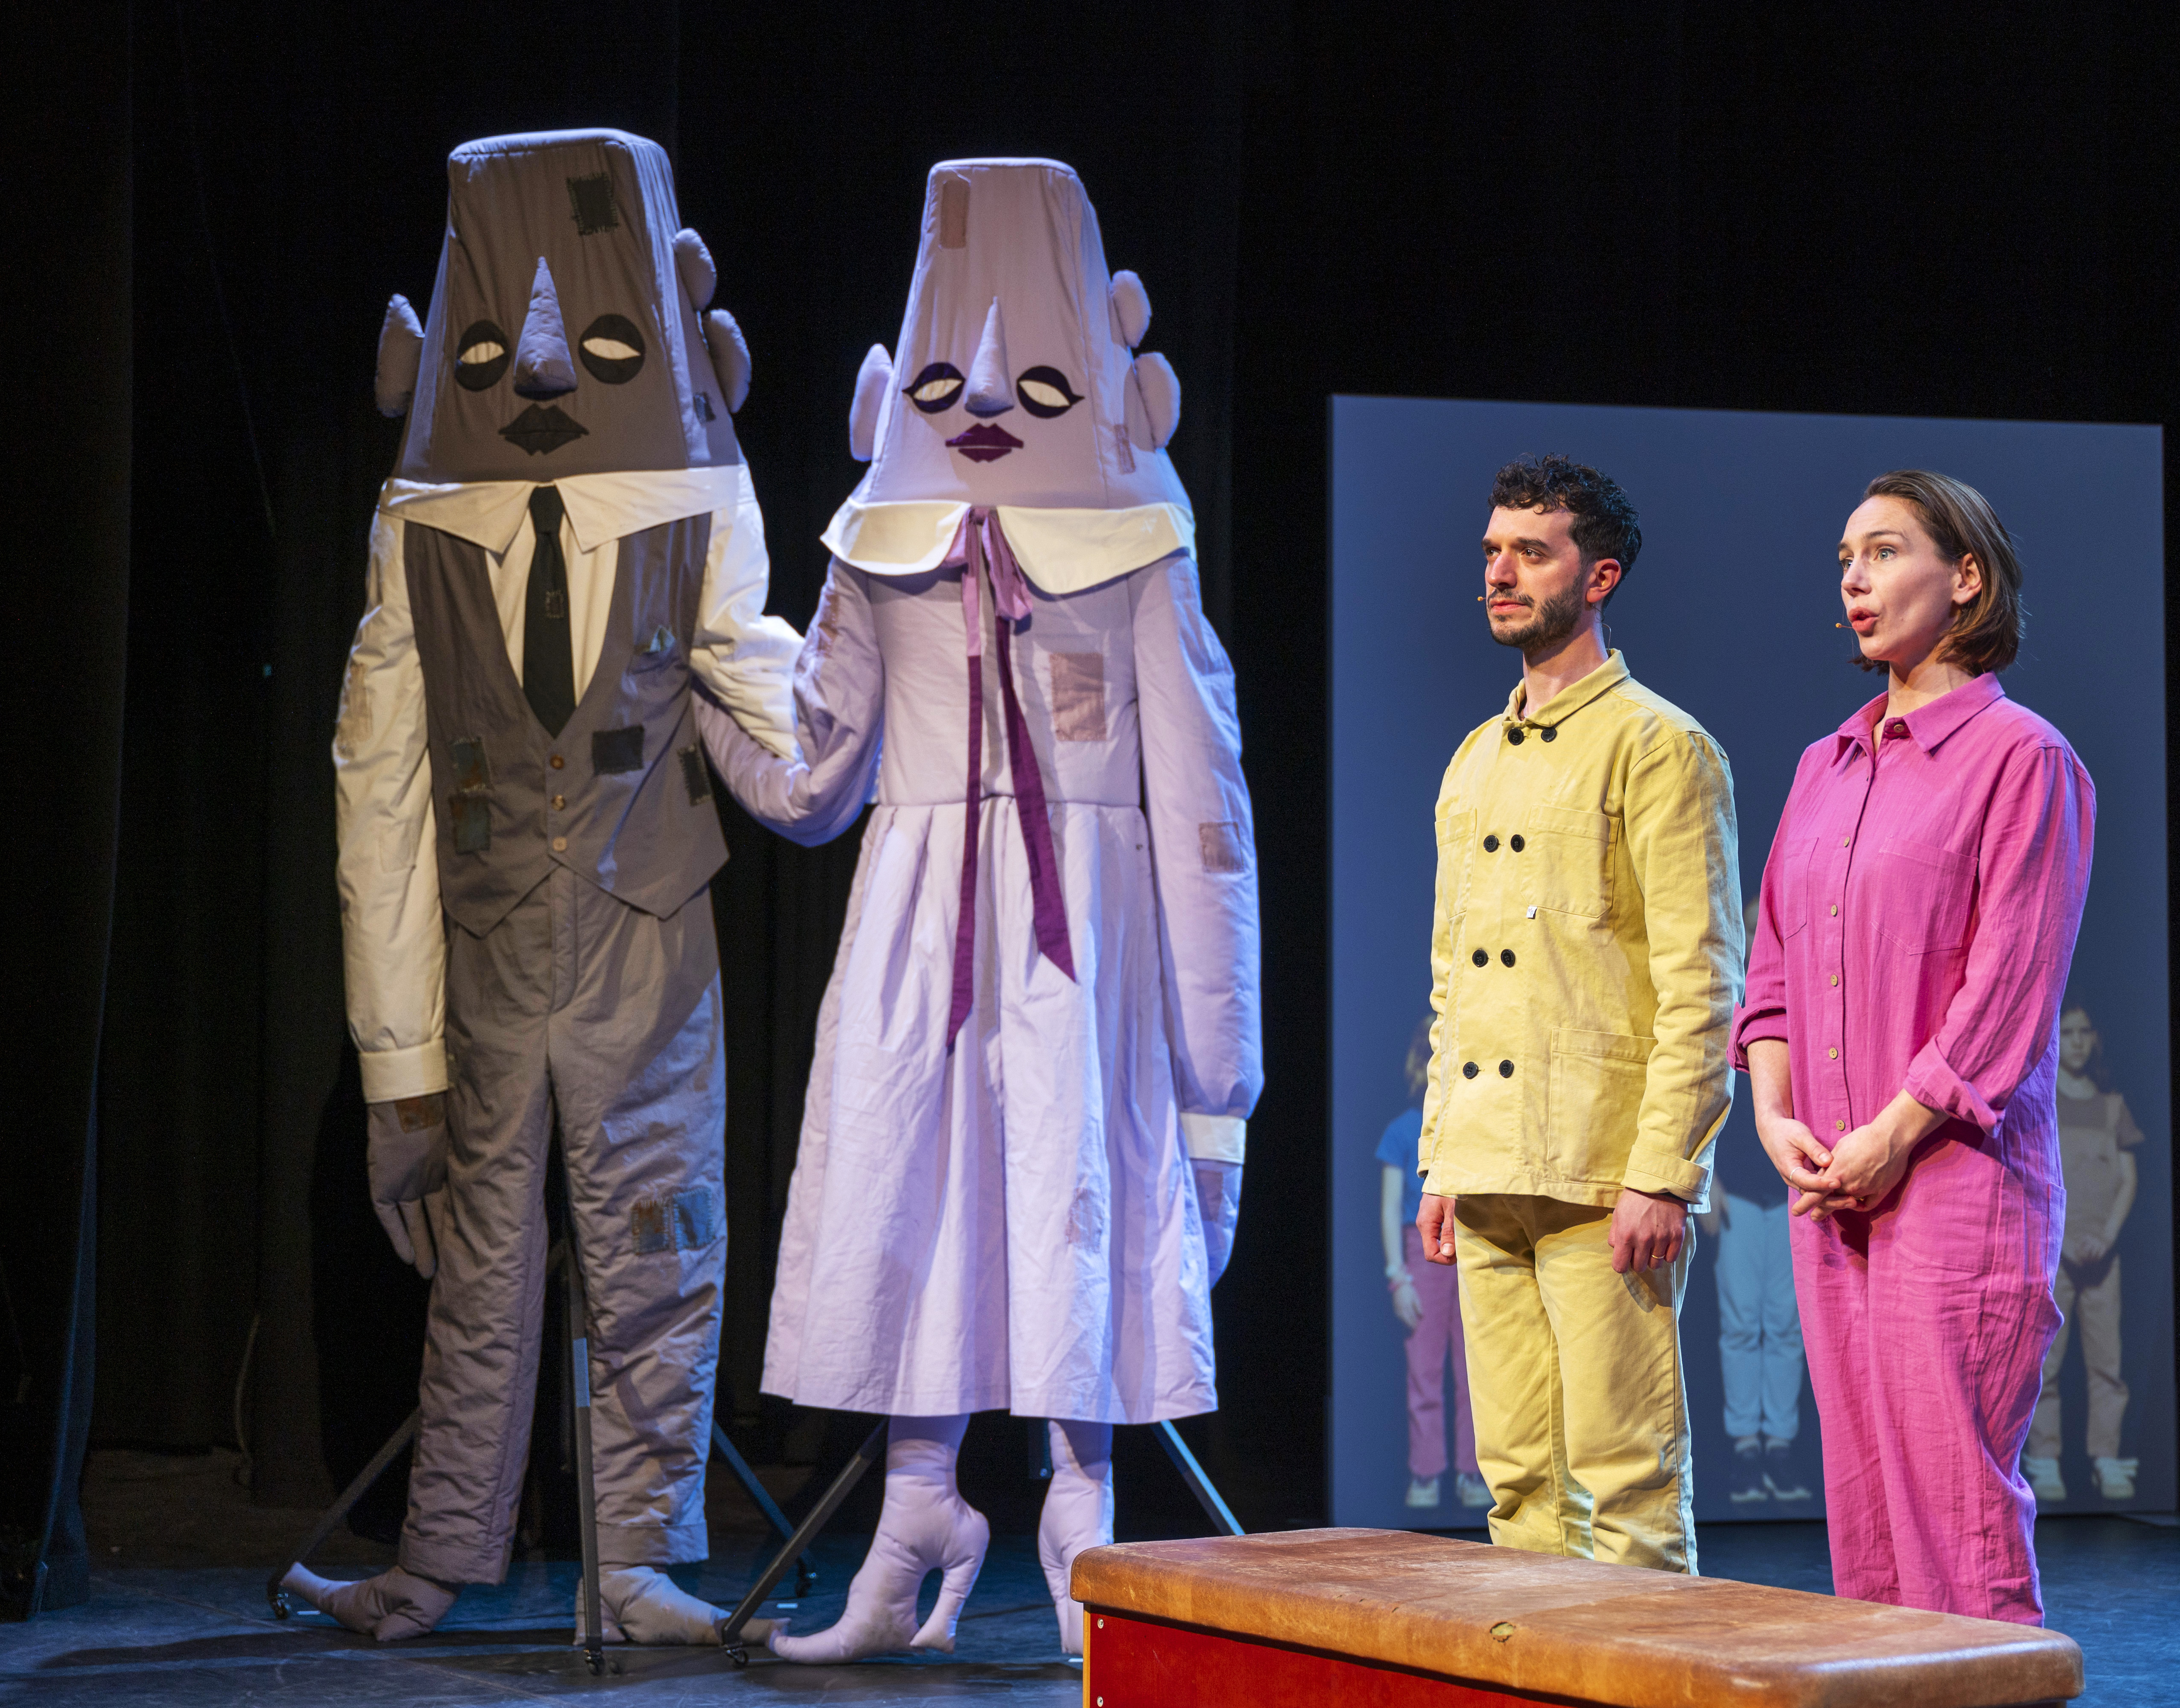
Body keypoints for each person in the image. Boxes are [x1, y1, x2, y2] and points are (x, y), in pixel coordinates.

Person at [699, 159, 1259, 1662]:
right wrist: (713, 667)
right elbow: (815, 775)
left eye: (1035, 380)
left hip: (1084, 925)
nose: (991, 401)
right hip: (921, 915)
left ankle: (1082, 1513)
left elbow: (1201, 813)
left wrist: (1216, 1081)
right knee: (915, 1185)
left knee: (1070, 1186)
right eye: (947, 380)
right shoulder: (875, 543)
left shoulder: (1136, 537)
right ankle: (915, 1512)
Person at [291, 130, 793, 1647]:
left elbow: (770, 694)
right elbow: (379, 791)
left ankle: (636, 1556)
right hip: (490, 956)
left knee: (661, 1232)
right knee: (477, 1263)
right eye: (502, 348)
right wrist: (398, 1070)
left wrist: (870, 703)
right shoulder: (423, 530)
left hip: (648, 940)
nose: (550, 376)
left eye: (604, 346)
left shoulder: (692, 502)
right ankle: (439, 1552)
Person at [1736, 469, 2094, 1625]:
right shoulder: (1823, 764)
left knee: (1952, 1514)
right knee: (1865, 1521)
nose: (1854, 578)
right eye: (1844, 557)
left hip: (1950, 1183)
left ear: (1966, 578)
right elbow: (1771, 970)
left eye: (1885, 551)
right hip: (1830, 1185)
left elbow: (2008, 992)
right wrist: (1773, 1116)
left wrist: (1893, 1134)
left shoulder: (2021, 757)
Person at [1414, 454, 1743, 1573]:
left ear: (1597, 576)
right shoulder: (1472, 759)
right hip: (1487, 1164)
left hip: (1600, 1169)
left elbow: (1701, 979)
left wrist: (1664, 1171)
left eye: (1530, 552)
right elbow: (1454, 982)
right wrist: (1442, 1158)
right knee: (1516, 1483)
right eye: (1491, 552)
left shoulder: (1659, 744)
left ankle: (1650, 1668)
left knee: (1627, 1478)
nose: (1500, 573)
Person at [1696, 901, 1811, 1507]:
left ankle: (1780, 1443)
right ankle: (1745, 1444)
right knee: (1742, 1324)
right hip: (1738, 1193)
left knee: (1785, 1324)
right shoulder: (1721, 1000)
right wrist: (1708, 1183)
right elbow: (1702, 1094)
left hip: (1790, 1188)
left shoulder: (1801, 1000)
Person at [2025, 999, 2143, 1502]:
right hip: (2055, 1253)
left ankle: (2105, 1459)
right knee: (2045, 1362)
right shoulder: (2041, 1100)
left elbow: (2127, 1180)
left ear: (2094, 1040)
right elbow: (2031, 1172)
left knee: (2106, 1362)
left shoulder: (2112, 1105)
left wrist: (2106, 1238)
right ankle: (2044, 1459)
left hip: (2101, 1257)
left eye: (2083, 1032)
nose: (2075, 1041)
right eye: (2067, 1031)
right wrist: (2064, 1237)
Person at [1378, 1017, 1488, 1513]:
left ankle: (1471, 1471)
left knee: (1473, 1374)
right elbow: (1388, 1209)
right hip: (1420, 1255)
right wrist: (1396, 1277)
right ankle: (1425, 1473)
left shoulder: (1471, 1131)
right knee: (1424, 1372)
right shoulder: (1402, 1131)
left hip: (1469, 1248)